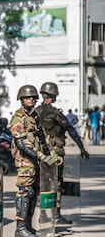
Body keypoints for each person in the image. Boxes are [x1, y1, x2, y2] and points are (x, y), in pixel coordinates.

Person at [9, 84, 62, 237]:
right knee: (25, 192)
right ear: (21, 99)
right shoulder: (18, 118)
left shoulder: (34, 117)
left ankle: (28, 226)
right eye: (28, 97)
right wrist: (41, 156)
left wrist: (51, 154)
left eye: (33, 97)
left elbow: (41, 138)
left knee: (34, 192)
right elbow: (21, 144)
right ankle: (20, 228)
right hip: (25, 161)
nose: (31, 99)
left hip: (36, 161)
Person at [34, 82, 89, 224]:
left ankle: (43, 214)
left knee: (43, 183)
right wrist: (81, 148)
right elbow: (70, 129)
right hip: (55, 152)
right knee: (57, 183)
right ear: (52, 96)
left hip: (40, 153)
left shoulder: (35, 112)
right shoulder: (54, 113)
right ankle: (56, 215)